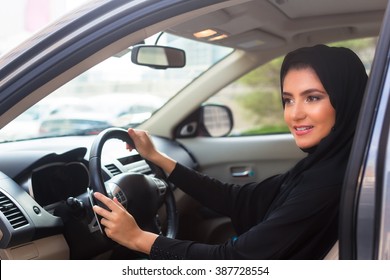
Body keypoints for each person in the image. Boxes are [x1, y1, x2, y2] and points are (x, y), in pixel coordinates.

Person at [92, 44, 368, 259]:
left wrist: (137, 239)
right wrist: (156, 157)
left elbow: (235, 260)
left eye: (313, 98)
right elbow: (238, 199)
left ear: (345, 99)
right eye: (288, 100)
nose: (295, 114)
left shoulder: (329, 182)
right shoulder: (326, 165)